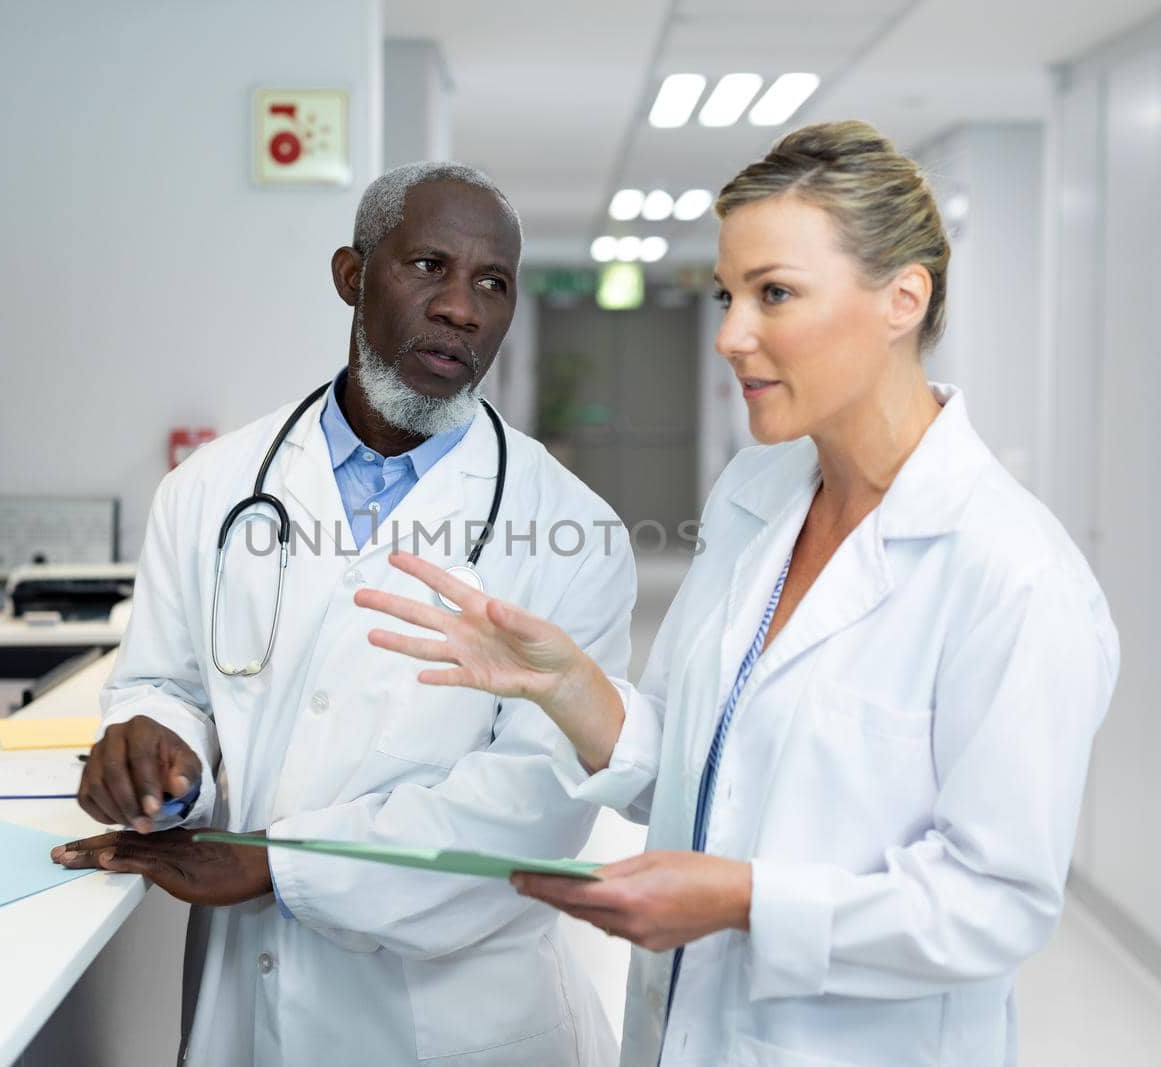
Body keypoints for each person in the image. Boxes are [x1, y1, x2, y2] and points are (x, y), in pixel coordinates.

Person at [359, 122, 1119, 1066]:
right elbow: (695, 764)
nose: (729, 335)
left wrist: (743, 900)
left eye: (776, 294)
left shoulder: (1010, 572)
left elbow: (996, 902)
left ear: (903, 298)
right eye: (729, 293)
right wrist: (569, 689)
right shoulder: (757, 499)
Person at [48, 161, 632, 1067]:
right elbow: (169, 682)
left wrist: (282, 864)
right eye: (428, 266)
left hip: (462, 1023)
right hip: (251, 1005)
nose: (460, 309)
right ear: (352, 276)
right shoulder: (210, 488)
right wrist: (157, 755)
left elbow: (537, 803)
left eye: (493, 284)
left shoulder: (573, 529)